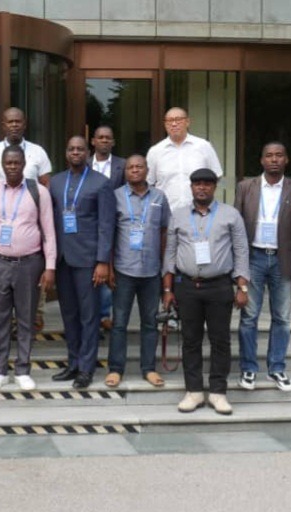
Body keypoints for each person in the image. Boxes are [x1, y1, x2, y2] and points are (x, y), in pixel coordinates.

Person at [163, 168, 250, 415]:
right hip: (187, 286)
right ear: (191, 187)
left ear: (214, 187)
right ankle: (193, 391)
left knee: (220, 340)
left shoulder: (230, 215)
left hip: (219, 286)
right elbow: (170, 253)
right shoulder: (179, 215)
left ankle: (218, 393)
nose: (202, 188)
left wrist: (242, 287)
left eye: (207, 184)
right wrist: (167, 289)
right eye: (197, 184)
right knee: (190, 340)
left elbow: (241, 251)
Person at [0, 145, 56, 391]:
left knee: (26, 318)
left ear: (23, 165)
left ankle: (22, 369)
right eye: (8, 163)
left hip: (29, 263)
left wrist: (50, 267)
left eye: (16, 163)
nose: (12, 167)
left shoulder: (39, 192)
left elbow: (49, 232)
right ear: (2, 165)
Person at [235, 142, 291, 392]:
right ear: (262, 160)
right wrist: (237, 267)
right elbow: (236, 229)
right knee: (249, 317)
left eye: (279, 155)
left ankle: (277, 368)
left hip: (282, 261)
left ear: (286, 160)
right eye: (269, 155)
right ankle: (248, 368)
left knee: (282, 318)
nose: (274, 159)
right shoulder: (246, 187)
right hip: (253, 259)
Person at [48, 136, 116, 390]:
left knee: (89, 316)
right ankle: (73, 363)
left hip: (88, 260)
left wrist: (102, 261)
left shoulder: (101, 183)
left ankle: (86, 369)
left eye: (80, 149)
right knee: (69, 315)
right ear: (66, 153)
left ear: (88, 152)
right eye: (71, 149)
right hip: (63, 259)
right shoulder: (56, 182)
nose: (75, 152)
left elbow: (106, 225)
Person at [105, 155, 170, 389]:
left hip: (151, 271)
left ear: (147, 170)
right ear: (125, 172)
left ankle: (149, 369)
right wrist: (109, 267)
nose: (134, 170)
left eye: (139, 167)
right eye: (130, 167)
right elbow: (109, 234)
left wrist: (165, 268)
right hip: (123, 270)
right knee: (119, 323)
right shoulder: (115, 197)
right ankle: (116, 369)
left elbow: (164, 232)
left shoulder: (159, 197)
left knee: (150, 323)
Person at [147, 107, 223, 211]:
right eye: (170, 121)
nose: (174, 124)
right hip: (167, 212)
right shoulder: (155, 151)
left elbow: (216, 176)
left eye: (178, 120)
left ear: (187, 122)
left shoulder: (203, 146)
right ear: (165, 125)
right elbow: (148, 183)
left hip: (199, 212)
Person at [91, 125, 125, 329]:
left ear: (113, 142)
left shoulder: (123, 165)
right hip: (89, 223)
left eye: (108, 138)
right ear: (93, 141)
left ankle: (104, 315)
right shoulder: (85, 164)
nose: (104, 140)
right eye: (100, 137)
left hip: (115, 223)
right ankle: (93, 315)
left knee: (109, 267)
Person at [0, 108, 52, 186]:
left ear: (24, 125)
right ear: (3, 126)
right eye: (10, 122)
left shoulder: (38, 151)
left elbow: (46, 184)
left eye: (18, 122)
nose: (14, 125)